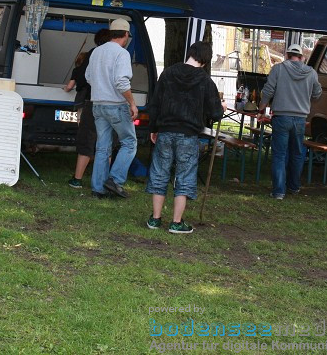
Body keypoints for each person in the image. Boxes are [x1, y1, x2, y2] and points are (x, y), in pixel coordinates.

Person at [145, 41, 224, 234]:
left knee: (160, 173)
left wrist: (153, 128)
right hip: (188, 134)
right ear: (205, 60)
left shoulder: (168, 73)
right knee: (185, 176)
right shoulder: (205, 81)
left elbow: (155, 103)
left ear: (190, 54)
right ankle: (176, 222)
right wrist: (221, 107)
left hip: (165, 130)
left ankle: (155, 219)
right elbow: (215, 113)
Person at [258, 44, 322, 200]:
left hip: (281, 117)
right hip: (300, 119)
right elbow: (318, 93)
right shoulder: (311, 73)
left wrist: (261, 109)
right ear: (301, 57)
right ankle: (294, 187)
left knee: (279, 154)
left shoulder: (278, 69)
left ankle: (279, 191)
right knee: (298, 153)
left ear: (287, 55)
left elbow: (268, 90)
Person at [85, 19, 137, 199]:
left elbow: (89, 77)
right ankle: (115, 180)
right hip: (116, 106)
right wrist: (132, 103)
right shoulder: (121, 54)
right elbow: (121, 82)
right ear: (126, 35)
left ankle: (97, 189)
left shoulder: (96, 52)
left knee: (102, 148)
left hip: (98, 104)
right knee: (129, 143)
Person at [64, 28, 111, 188]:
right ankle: (104, 181)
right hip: (113, 104)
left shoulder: (93, 54)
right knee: (107, 143)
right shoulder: (118, 54)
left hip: (92, 102)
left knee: (87, 141)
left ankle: (77, 179)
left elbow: (84, 77)